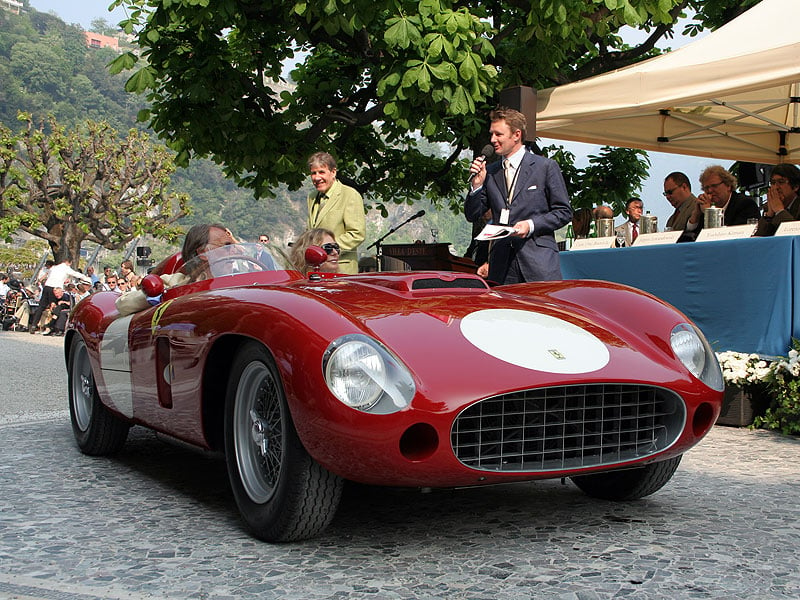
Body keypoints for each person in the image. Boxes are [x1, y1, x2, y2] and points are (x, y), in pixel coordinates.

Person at [465, 107, 572, 283]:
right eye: (492, 134)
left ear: (516, 135)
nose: (493, 140)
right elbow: (472, 214)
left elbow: (563, 212)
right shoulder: (490, 172)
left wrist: (530, 225)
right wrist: (476, 186)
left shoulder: (545, 167)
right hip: (502, 265)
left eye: (499, 134)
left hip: (538, 263)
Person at [116, 223, 238, 316]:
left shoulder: (244, 280)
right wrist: (162, 295)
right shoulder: (176, 282)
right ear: (203, 252)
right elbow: (123, 304)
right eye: (227, 246)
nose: (235, 251)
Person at [306, 152, 366, 275]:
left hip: (341, 270)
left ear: (333, 172)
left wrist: (327, 250)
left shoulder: (350, 195)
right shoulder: (311, 197)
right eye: (313, 173)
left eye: (321, 172)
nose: (317, 178)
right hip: (316, 271)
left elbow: (357, 234)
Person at [685, 165, 759, 237]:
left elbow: (733, 234)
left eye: (714, 186)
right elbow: (690, 236)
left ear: (728, 186)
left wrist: (711, 213)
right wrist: (696, 214)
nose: (710, 191)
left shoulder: (745, 204)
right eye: (706, 187)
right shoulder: (705, 206)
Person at [29, 258, 90, 334]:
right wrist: (86, 278)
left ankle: (34, 325)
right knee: (55, 306)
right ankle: (51, 326)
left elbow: (48, 274)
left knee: (41, 306)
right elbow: (76, 274)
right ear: (69, 263)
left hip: (47, 286)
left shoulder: (54, 267)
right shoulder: (66, 268)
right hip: (55, 288)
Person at [754, 164, 800, 236]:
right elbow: (759, 238)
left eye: (781, 182)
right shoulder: (769, 206)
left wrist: (779, 210)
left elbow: (795, 234)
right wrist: (769, 214)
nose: (776, 187)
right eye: (773, 183)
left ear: (796, 186)